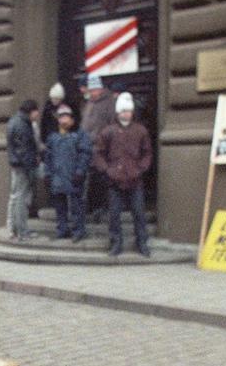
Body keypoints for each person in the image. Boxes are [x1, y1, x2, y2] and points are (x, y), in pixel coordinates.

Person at [94, 92, 152, 257]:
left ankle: (142, 243)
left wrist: (141, 169)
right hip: (114, 180)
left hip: (135, 179)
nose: (126, 114)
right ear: (118, 112)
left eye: (129, 111)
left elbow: (147, 153)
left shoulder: (141, 131)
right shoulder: (107, 131)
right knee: (114, 215)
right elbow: (98, 154)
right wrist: (107, 170)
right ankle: (115, 243)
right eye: (123, 111)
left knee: (139, 213)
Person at [43, 104, 92, 242]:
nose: (64, 120)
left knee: (77, 206)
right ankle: (62, 229)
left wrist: (80, 171)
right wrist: (47, 174)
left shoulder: (80, 134)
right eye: (61, 117)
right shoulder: (52, 136)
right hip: (57, 177)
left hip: (74, 176)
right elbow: (47, 157)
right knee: (60, 206)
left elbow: (85, 154)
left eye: (66, 116)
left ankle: (78, 231)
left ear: (72, 118)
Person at [79, 74, 118, 223]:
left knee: (102, 179)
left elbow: (111, 124)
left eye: (94, 89)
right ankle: (91, 207)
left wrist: (101, 139)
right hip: (87, 147)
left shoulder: (109, 103)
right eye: (90, 89)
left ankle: (103, 208)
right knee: (89, 180)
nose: (91, 92)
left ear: (100, 89)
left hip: (102, 148)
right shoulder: (89, 102)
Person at [5, 99, 41, 241]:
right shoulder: (23, 125)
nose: (37, 114)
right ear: (31, 111)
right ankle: (22, 231)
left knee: (14, 197)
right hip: (23, 166)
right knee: (21, 199)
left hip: (16, 164)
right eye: (36, 111)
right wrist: (30, 169)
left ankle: (12, 229)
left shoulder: (14, 121)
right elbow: (24, 150)